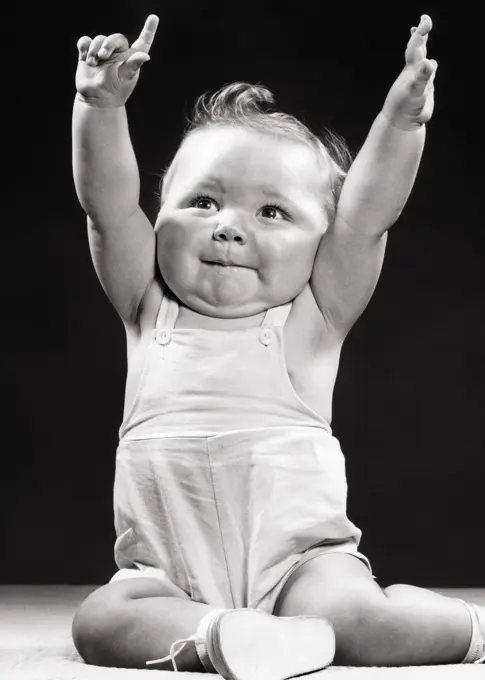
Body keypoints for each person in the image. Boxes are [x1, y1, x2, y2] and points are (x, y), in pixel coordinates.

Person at [70, 12, 484, 678]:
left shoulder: (311, 319)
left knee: (365, 625)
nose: (229, 229)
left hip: (301, 567)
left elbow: (369, 216)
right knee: (102, 622)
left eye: (271, 212)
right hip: (165, 573)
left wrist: (400, 123)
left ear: (323, 239)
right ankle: (228, 636)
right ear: (160, 214)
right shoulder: (146, 309)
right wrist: (98, 108)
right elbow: (107, 206)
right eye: (202, 202)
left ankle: (464, 626)